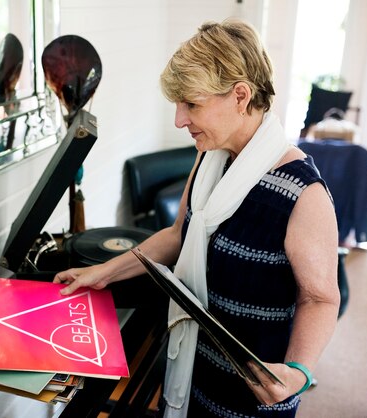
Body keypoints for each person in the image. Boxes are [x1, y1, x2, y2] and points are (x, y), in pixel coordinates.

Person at [54, 19, 340, 418]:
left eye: (192, 103)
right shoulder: (210, 158)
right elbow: (177, 235)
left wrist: (297, 372)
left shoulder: (303, 195)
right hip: (198, 368)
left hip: (253, 395)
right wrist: (102, 272)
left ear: (240, 95)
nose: (179, 120)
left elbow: (321, 298)